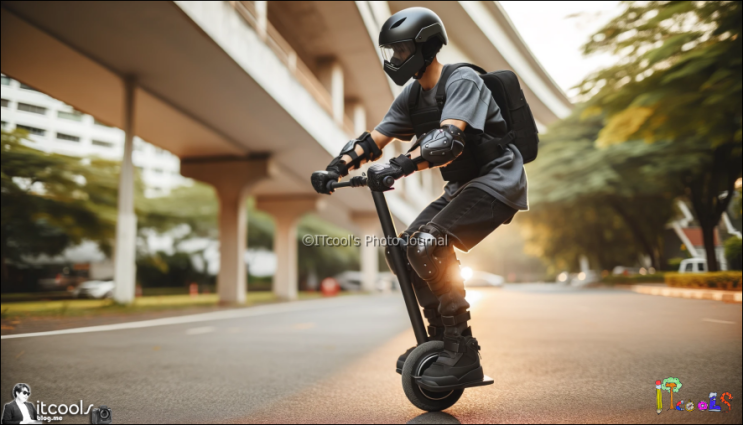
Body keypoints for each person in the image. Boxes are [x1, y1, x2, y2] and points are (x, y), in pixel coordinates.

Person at [310, 7, 528, 388]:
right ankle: (441, 340)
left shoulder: (461, 81)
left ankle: (463, 353)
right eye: (391, 53)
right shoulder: (412, 96)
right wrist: (335, 168)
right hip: (462, 188)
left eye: (401, 51)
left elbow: (448, 142)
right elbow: (373, 140)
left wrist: (398, 167)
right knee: (401, 249)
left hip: (496, 182)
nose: (395, 59)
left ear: (426, 47)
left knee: (429, 243)